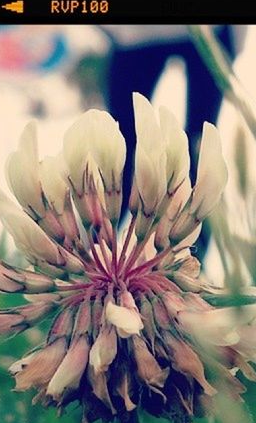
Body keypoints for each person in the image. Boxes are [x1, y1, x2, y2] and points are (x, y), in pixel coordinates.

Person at [100, 25, 247, 258]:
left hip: (194, 33)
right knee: (122, 143)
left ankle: (188, 262)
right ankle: (96, 255)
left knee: (198, 146)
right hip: (136, 35)